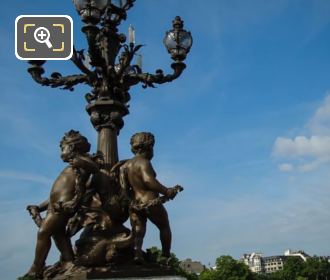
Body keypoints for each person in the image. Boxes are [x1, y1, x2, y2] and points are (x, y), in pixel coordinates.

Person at [25, 130, 99, 278]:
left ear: (71, 148)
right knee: (59, 236)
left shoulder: (81, 162)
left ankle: (36, 266)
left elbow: (96, 169)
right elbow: (54, 195)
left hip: (63, 207)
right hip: (55, 206)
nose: (61, 152)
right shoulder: (69, 168)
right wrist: (39, 207)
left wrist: (81, 162)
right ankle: (69, 260)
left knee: (43, 233)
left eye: (62, 148)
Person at [120, 132, 182, 263]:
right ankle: (166, 256)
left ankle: (137, 254)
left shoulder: (126, 165)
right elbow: (148, 181)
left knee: (138, 230)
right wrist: (166, 190)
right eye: (152, 147)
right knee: (164, 226)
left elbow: (124, 187)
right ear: (148, 147)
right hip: (149, 201)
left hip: (134, 203)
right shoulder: (143, 162)